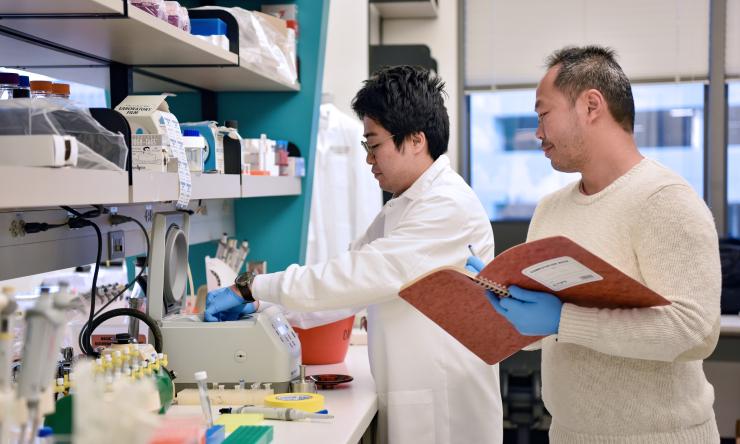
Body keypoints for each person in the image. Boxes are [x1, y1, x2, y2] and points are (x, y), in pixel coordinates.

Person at [206, 65, 503, 443]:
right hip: (417, 395)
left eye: (374, 144)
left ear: (415, 140)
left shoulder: (447, 205)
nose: (368, 159)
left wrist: (251, 287)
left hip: (445, 411)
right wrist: (266, 309)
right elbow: (346, 286)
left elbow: (362, 275)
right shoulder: (405, 204)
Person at [468, 45, 721, 443]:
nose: (537, 132)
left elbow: (694, 332)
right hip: (569, 433)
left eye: (543, 113)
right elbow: (543, 337)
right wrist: (502, 305)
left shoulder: (665, 199)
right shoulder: (551, 209)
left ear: (590, 106)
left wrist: (562, 320)